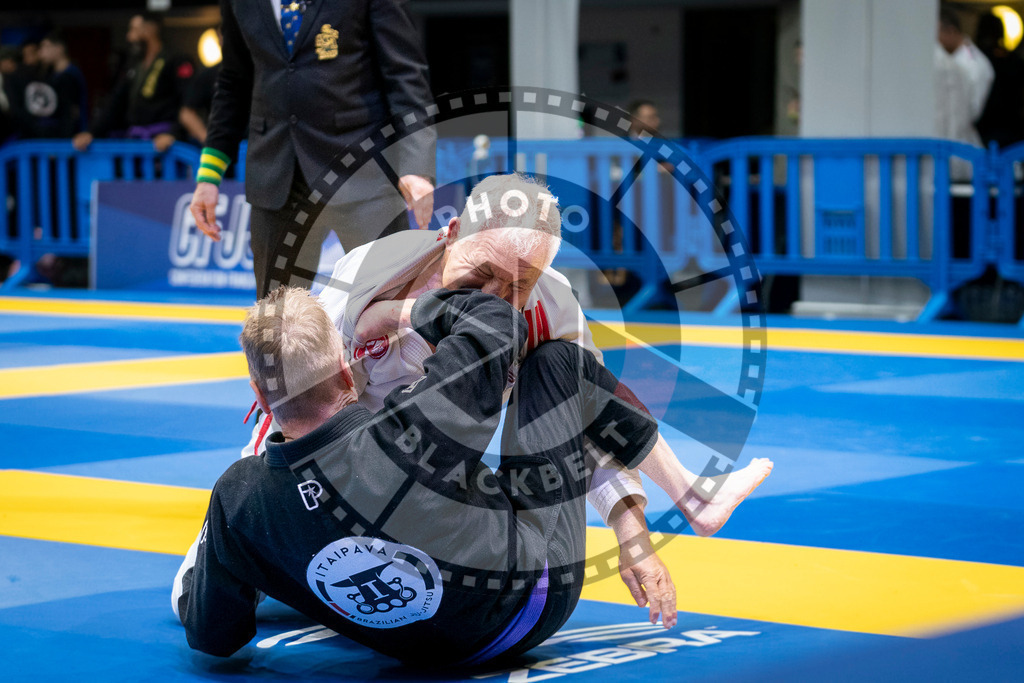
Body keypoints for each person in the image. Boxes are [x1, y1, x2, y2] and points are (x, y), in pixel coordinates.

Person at [247, 173, 773, 538]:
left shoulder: (552, 307)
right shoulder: (369, 276)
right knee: (235, 565)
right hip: (336, 442)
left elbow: (590, 418)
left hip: (436, 468)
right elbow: (297, 401)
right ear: (451, 235)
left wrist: (629, 527)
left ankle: (694, 498)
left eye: (519, 284)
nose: (494, 297)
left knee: (571, 377)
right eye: (481, 274)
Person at [177, 286, 675, 665]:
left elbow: (213, 636)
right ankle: (681, 484)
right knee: (556, 362)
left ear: (259, 400)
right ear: (348, 375)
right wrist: (400, 312)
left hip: (412, 652)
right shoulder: (411, 427)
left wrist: (224, 572)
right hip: (529, 610)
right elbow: (497, 322)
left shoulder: (238, 497)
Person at [188, 0, 437, 298]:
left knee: (387, 308)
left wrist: (416, 166)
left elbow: (405, 75)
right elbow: (233, 81)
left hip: (363, 172)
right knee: (275, 320)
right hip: (276, 173)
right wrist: (209, 176)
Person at [72, 13, 194, 153]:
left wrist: (174, 134)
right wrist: (91, 132)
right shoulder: (134, 65)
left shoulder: (176, 59)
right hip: (138, 142)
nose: (130, 37)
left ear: (150, 28)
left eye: (134, 30)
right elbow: (115, 103)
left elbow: (188, 102)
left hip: (166, 145)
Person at [21, 32, 88, 139]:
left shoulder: (70, 75)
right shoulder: (49, 75)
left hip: (67, 138)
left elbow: (70, 113)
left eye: (46, 46)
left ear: (59, 48)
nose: (41, 52)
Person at [938, 6, 994, 127]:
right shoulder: (952, 58)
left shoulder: (972, 64)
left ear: (951, 31)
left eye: (936, 34)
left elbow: (971, 112)